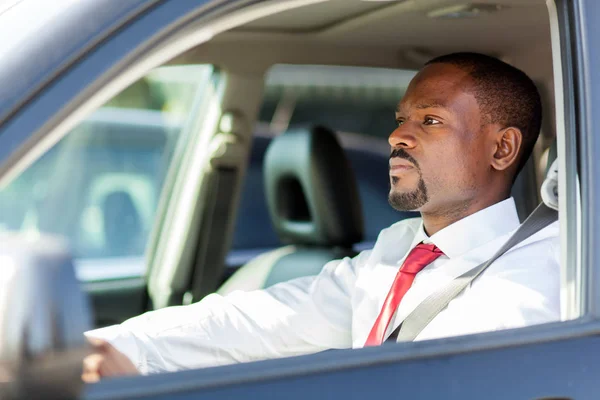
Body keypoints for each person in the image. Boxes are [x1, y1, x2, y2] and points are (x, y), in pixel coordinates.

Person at [82, 52, 560, 382]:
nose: (399, 136)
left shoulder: (532, 282)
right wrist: (103, 348)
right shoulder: (399, 250)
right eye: (400, 119)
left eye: (430, 121)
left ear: (502, 148)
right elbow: (254, 321)